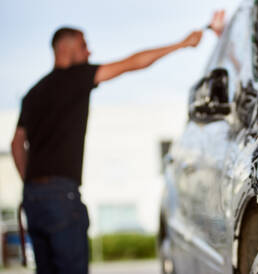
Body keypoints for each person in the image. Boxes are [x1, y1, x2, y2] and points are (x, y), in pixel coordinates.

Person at [11, 11, 225, 274]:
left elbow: (16, 143)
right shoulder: (76, 77)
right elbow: (132, 63)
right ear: (64, 48)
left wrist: (31, 185)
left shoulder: (32, 94)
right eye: (83, 45)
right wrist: (180, 44)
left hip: (33, 199)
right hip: (61, 197)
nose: (89, 52)